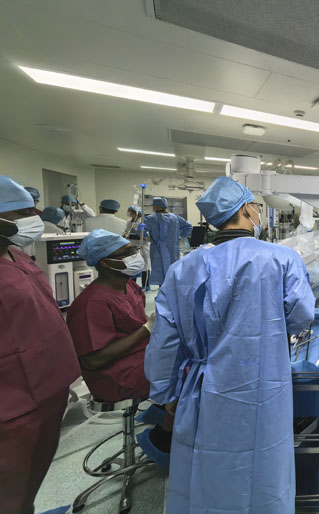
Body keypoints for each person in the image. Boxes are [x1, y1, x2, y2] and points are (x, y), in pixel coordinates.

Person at [144, 176, 315, 513]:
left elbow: (165, 340)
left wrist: (166, 394)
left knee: (210, 468)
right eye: (256, 206)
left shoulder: (183, 268)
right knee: (265, 464)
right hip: (265, 384)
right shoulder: (282, 259)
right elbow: (301, 316)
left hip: (205, 388)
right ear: (247, 208)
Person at [0, 176, 79, 514]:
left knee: (31, 477)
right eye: (22, 213)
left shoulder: (16, 255)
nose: (35, 217)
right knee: (9, 490)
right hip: (14, 400)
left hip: (49, 385)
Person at [66, 229, 173, 466]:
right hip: (114, 376)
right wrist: (147, 328)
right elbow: (93, 360)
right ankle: (161, 440)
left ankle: (162, 411)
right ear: (105, 262)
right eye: (128, 252)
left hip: (138, 359)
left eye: (134, 250)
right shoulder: (91, 303)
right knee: (189, 375)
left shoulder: (130, 286)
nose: (136, 255)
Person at [144, 197, 192, 287]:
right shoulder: (176, 217)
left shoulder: (150, 218)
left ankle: (162, 291)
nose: (153, 208)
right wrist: (181, 236)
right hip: (172, 248)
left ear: (157, 207)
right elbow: (189, 226)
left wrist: (147, 237)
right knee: (172, 270)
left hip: (157, 248)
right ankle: (170, 292)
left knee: (160, 271)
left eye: (154, 206)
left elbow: (140, 229)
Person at [124, 206, 152, 290]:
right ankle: (133, 286)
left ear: (136, 213)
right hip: (132, 246)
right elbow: (126, 233)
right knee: (133, 265)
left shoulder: (144, 222)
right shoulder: (128, 222)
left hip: (143, 246)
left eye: (130, 212)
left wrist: (137, 232)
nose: (129, 213)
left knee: (145, 266)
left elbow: (148, 236)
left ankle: (146, 285)